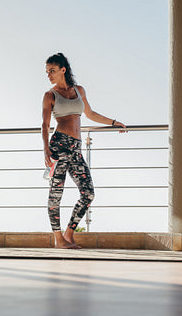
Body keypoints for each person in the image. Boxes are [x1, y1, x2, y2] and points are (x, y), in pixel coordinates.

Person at [42, 53, 126, 249]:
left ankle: (69, 233)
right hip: (59, 147)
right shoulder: (49, 95)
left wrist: (114, 123)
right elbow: (45, 125)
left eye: (52, 71)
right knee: (56, 194)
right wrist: (46, 149)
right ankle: (58, 239)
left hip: (76, 149)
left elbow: (90, 114)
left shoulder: (79, 91)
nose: (49, 75)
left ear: (63, 69)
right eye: (47, 72)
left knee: (88, 193)